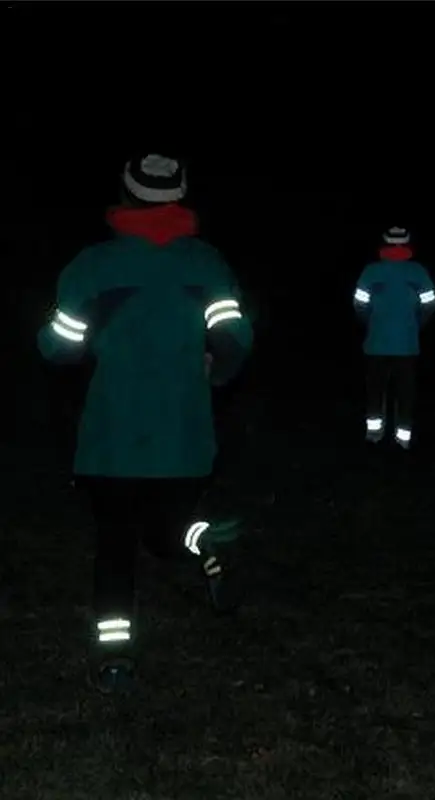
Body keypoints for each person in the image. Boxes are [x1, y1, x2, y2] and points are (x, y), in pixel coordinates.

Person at [38, 154, 253, 692]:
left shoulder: (93, 266)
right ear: (179, 199)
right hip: (185, 431)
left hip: (113, 434)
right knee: (165, 528)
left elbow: (59, 348)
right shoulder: (206, 264)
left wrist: (70, 340)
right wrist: (215, 370)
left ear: (125, 195)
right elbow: (234, 339)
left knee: (115, 544)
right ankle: (205, 542)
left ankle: (116, 661)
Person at [353, 227, 435, 450]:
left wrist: (372, 323)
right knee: (405, 394)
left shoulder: (371, 272)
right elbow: (430, 304)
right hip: (407, 345)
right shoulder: (417, 272)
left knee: (375, 392)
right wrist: (416, 324)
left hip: (375, 344)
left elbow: (359, 305)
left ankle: (374, 437)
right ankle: (403, 441)